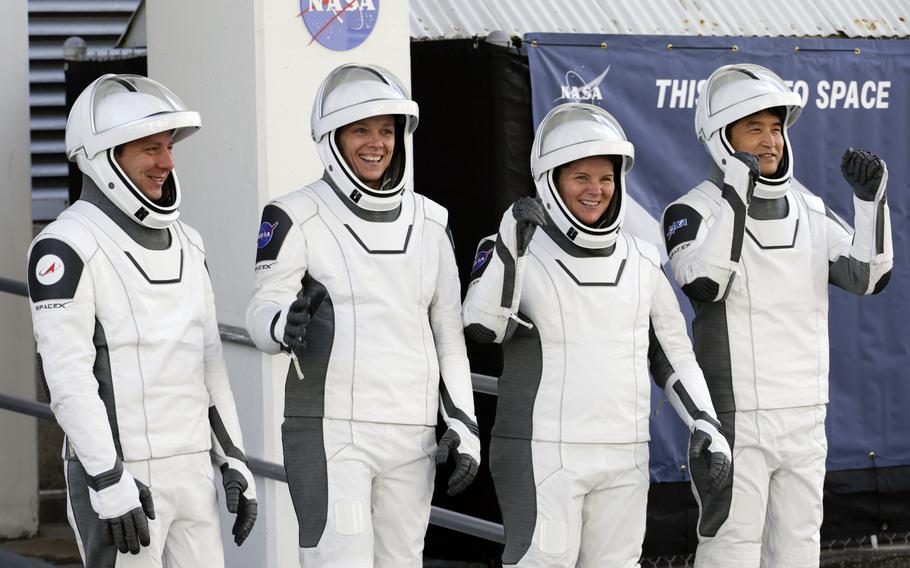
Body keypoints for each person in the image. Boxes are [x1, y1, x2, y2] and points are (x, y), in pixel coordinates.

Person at [462, 102, 731, 567]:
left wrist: (705, 422)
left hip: (625, 453)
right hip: (542, 452)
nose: (596, 190)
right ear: (551, 180)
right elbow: (483, 328)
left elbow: (672, 355)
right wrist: (511, 246)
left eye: (605, 178)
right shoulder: (509, 247)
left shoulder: (643, 258)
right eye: (580, 178)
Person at [245, 63, 480, 567]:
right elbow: (261, 307)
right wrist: (281, 323)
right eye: (360, 129)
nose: (376, 143)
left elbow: (449, 336)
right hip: (330, 433)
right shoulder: (292, 214)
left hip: (413, 436)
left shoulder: (432, 220)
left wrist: (463, 423)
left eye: (386, 130)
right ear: (332, 137)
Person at [661, 63, 893, 568]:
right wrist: (736, 191)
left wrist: (870, 203)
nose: (770, 142)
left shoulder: (807, 207)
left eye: (776, 128)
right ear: (721, 137)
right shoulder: (690, 211)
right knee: (731, 551)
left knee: (798, 554)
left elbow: (867, 276)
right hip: (736, 422)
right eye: (754, 128)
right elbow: (704, 283)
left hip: (806, 420)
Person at [26, 74, 257, 567]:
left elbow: (209, 363)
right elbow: (66, 380)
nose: (168, 163)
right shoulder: (64, 246)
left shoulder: (190, 243)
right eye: (150, 148)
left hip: (192, 471)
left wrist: (233, 458)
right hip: (122, 479)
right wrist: (108, 481)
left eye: (169, 147)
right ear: (104, 156)